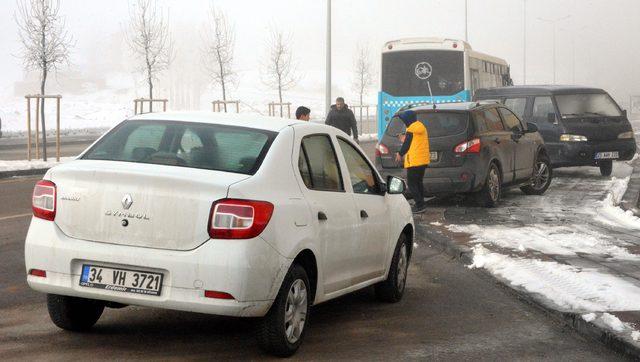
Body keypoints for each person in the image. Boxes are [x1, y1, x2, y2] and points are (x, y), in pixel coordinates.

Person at [395, 110, 430, 214]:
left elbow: (407, 145)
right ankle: (421, 203)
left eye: (404, 120)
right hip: (422, 161)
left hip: (414, 161)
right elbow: (413, 141)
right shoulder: (420, 127)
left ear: (408, 120)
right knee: (418, 182)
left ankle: (420, 205)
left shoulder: (411, 129)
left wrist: (400, 154)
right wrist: (404, 139)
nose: (404, 122)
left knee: (412, 183)